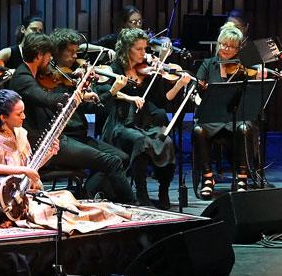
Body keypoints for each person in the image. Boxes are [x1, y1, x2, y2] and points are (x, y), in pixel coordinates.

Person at [0, 89, 130, 232]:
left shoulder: (21, 133)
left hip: (21, 192)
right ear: (3, 117)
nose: (24, 117)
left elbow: (32, 167)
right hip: (3, 198)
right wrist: (24, 170)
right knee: (58, 210)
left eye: (23, 112)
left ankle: (111, 213)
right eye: (19, 114)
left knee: (67, 199)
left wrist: (50, 154)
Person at [8, 32, 135, 203]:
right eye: (48, 55)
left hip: (55, 138)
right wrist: (75, 95)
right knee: (111, 162)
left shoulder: (34, 75)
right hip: (44, 143)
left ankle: (86, 195)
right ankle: (131, 205)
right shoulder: (23, 77)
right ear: (39, 55)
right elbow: (46, 99)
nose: (51, 59)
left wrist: (80, 93)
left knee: (120, 158)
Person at [100, 27, 187, 208]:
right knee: (141, 141)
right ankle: (141, 191)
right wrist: (130, 97)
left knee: (167, 142)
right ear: (126, 50)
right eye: (139, 49)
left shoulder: (147, 73)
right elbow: (107, 94)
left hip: (146, 121)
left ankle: (164, 189)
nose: (144, 53)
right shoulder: (115, 68)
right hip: (121, 122)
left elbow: (163, 101)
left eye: (145, 49)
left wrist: (179, 84)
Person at [192, 25, 259, 198]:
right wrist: (201, 90)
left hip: (234, 117)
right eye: (223, 44)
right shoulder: (208, 64)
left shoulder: (243, 66)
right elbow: (196, 87)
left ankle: (242, 177)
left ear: (238, 49)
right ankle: (208, 178)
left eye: (231, 46)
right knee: (199, 130)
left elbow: (252, 89)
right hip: (212, 117)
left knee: (245, 128)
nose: (226, 49)